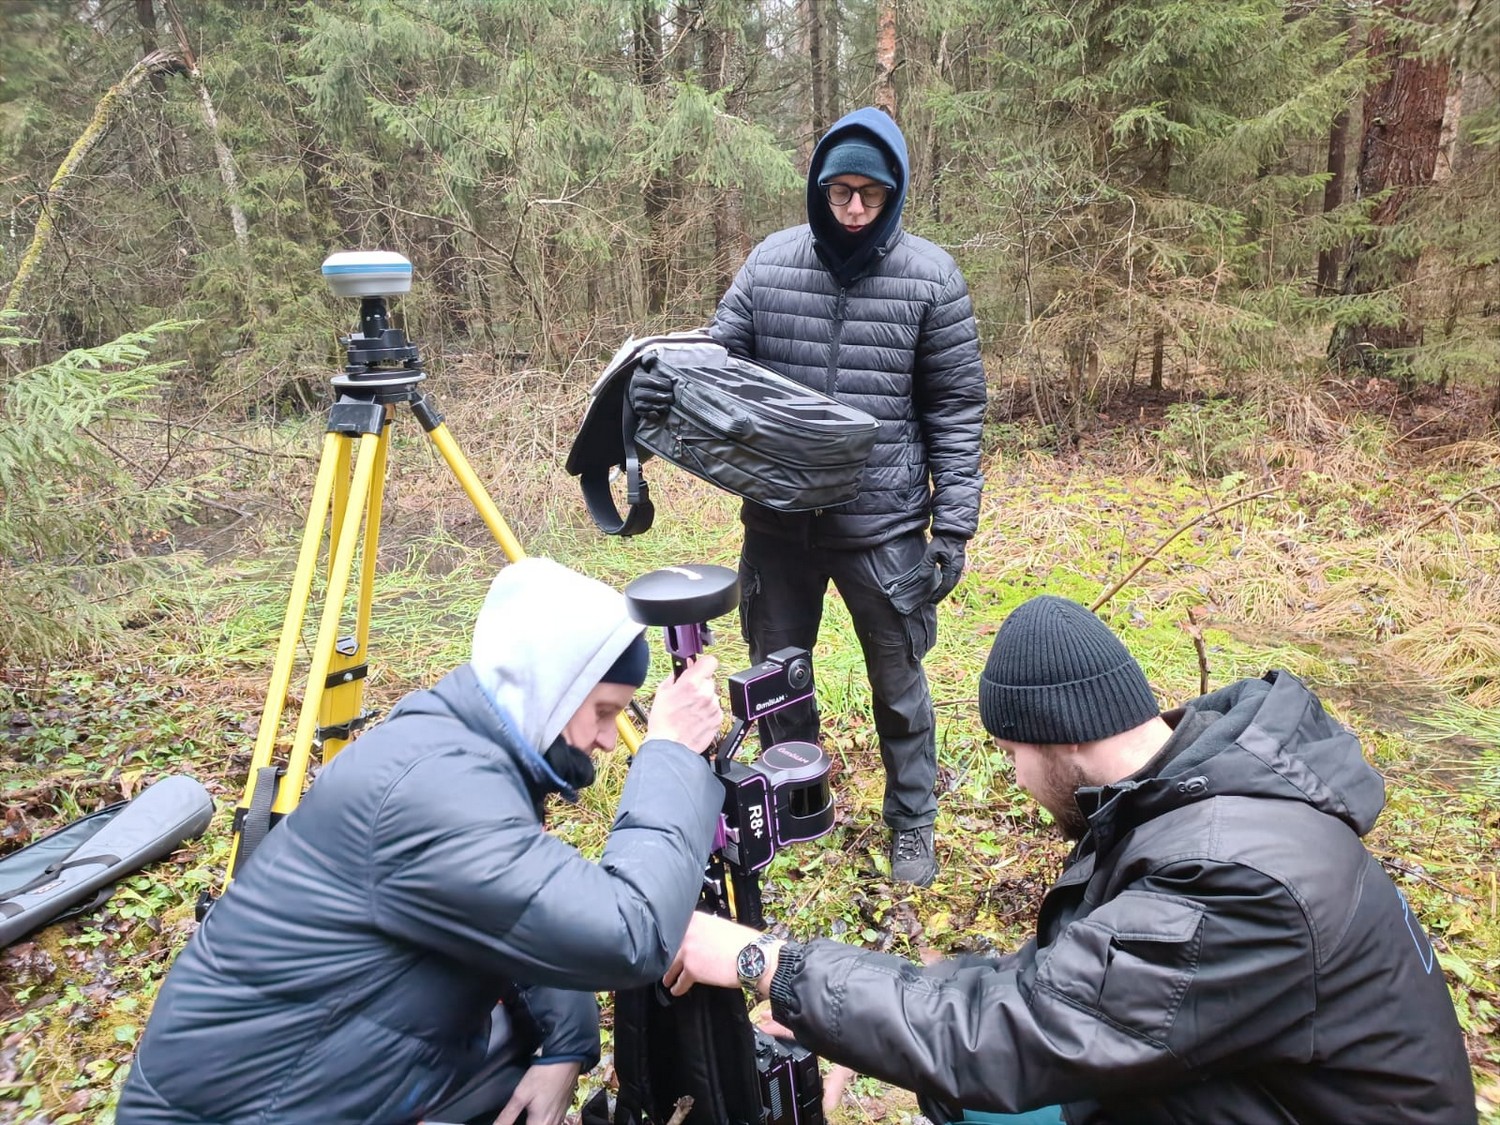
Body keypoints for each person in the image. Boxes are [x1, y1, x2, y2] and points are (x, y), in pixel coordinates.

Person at [665, 594, 1478, 1124]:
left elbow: (1016, 1032)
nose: (1018, 780)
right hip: (1259, 1089)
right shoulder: (1185, 794)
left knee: (978, 1082)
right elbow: (1075, 986)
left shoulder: (1233, 878)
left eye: (1012, 753)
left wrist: (764, 960)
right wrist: (831, 1003)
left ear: (1063, 738)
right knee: (960, 1092)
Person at [118, 557, 727, 1125]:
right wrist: (671, 753)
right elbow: (629, 934)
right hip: (243, 1109)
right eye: (604, 711)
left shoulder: (459, 747)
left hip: (305, 1071)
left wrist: (564, 1048)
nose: (607, 739)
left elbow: (518, 912)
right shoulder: (436, 793)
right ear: (553, 690)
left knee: (509, 1055)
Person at [632, 106, 987, 886]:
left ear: (894, 192)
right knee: (778, 679)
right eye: (840, 192)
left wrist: (954, 528)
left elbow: (956, 408)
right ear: (819, 189)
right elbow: (720, 361)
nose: (854, 208)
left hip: (884, 527)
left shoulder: (931, 277)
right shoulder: (771, 263)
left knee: (899, 684)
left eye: (870, 193)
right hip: (778, 522)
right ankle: (796, 806)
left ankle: (912, 822)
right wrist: (661, 378)